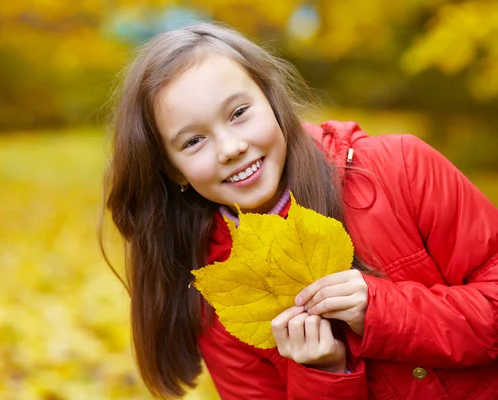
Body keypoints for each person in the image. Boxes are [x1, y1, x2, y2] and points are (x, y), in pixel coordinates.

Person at [100, 22, 498, 399]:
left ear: (273, 101)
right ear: (172, 170)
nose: (230, 148)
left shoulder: (400, 169)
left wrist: (383, 311)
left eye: (239, 113)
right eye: (193, 141)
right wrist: (323, 372)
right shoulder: (220, 294)